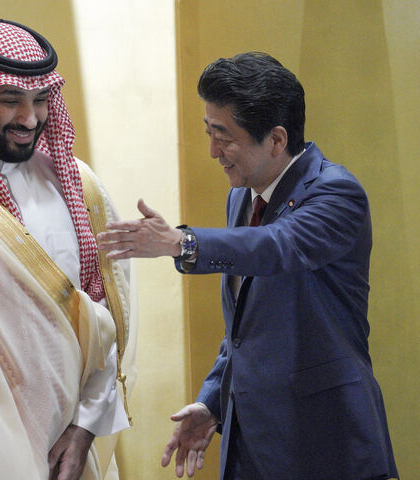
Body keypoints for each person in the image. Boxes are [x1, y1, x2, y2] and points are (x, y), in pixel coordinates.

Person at [97, 52, 398, 480]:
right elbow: (245, 326)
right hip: (250, 446)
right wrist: (213, 401)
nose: (212, 151)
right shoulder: (241, 195)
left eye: (223, 136)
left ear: (276, 140)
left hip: (327, 442)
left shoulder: (336, 193)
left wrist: (180, 242)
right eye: (208, 132)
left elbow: (278, 245)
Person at [0, 19, 133, 480]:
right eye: (11, 101)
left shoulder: (81, 190)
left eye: (41, 100)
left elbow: (105, 319)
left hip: (64, 448)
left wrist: (87, 423)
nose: (29, 118)